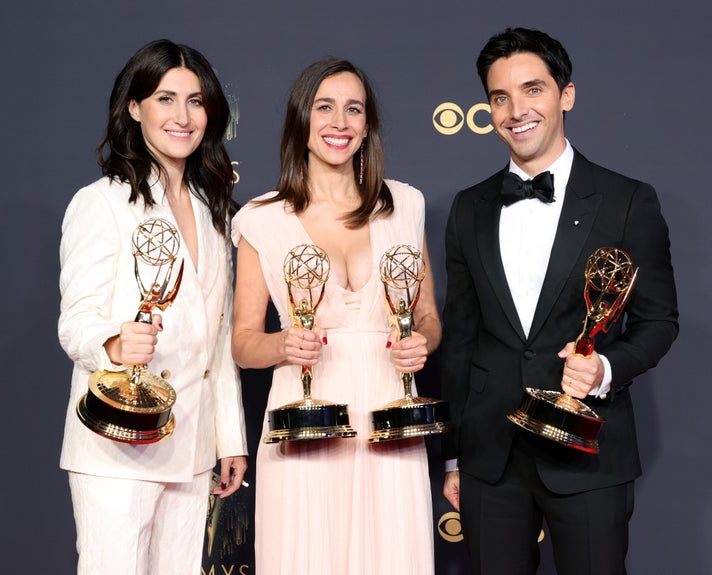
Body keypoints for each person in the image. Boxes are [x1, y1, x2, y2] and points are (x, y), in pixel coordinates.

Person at [440, 27, 678, 575]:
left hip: (588, 452)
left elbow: (659, 322)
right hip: (489, 460)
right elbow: (461, 339)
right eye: (500, 97)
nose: (516, 110)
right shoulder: (469, 207)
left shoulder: (626, 200)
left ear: (565, 95)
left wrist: (604, 370)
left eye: (533, 90)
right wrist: (453, 455)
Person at [231, 58, 440, 574]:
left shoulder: (405, 205)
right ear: (301, 120)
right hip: (305, 420)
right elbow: (241, 341)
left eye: (354, 109)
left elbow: (429, 316)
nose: (339, 123)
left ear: (367, 125)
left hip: (389, 416)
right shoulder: (261, 219)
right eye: (325, 107)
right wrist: (282, 345)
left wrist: (423, 342)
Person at [58, 39, 248, 575]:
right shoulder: (100, 202)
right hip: (118, 443)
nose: (182, 116)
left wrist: (228, 437)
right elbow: (75, 322)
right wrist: (114, 343)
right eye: (166, 99)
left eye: (196, 101)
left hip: (190, 445)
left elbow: (220, 337)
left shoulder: (216, 211)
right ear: (134, 108)